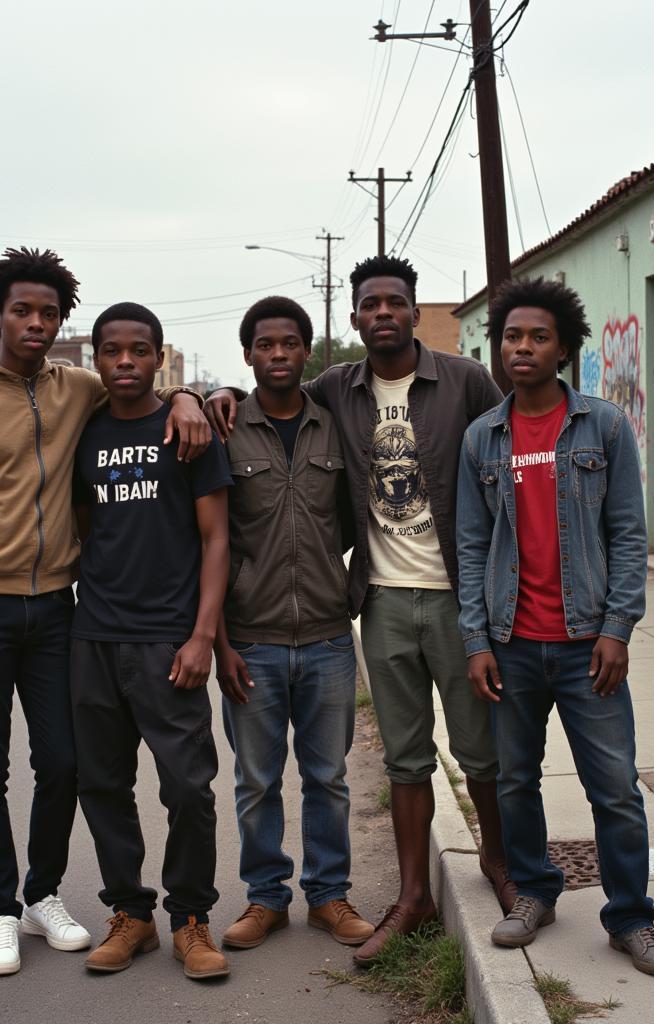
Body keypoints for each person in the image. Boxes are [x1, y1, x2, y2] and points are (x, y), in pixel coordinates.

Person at [206, 256, 512, 967]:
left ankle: (499, 864)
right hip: (378, 601)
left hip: (459, 602)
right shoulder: (335, 389)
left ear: (412, 311)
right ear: (352, 320)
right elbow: (262, 390)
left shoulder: (463, 379)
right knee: (405, 758)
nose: (382, 313)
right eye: (369, 304)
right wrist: (208, 393)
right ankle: (410, 897)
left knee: (478, 749)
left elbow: (507, 445)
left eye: (394, 302)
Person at [0, 248, 208, 976]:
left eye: (49, 313)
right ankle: (1, 911)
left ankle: (43, 893)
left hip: (56, 612)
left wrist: (197, 397)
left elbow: (142, 385)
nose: (37, 323)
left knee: (65, 764)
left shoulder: (78, 387)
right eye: (23, 311)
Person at [456, 276, 654, 976]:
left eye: (538, 337)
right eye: (512, 337)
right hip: (513, 645)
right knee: (516, 779)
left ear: (564, 349)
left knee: (613, 786)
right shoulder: (480, 438)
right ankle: (534, 893)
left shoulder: (604, 427)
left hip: (588, 646)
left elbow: (626, 534)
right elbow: (469, 543)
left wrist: (617, 628)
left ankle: (631, 919)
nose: (522, 348)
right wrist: (476, 640)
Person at [71, 302, 232, 981]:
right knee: (102, 784)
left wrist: (202, 637)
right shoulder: (83, 432)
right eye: (113, 351)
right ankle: (130, 915)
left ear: (160, 357)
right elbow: (83, 531)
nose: (126, 362)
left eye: (140, 350)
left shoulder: (187, 432)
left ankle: (190, 920)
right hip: (95, 638)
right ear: (98, 359)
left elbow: (217, 538)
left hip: (169, 641)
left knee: (188, 790)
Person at [215, 297, 374, 952]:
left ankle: (329, 896)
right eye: (264, 344)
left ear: (307, 351)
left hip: (329, 639)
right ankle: (265, 899)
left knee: (328, 778)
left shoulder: (334, 428)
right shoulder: (223, 429)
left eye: (289, 344)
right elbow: (210, 540)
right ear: (248, 353)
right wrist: (220, 640)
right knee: (256, 780)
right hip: (249, 640)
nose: (277, 354)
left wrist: (351, 595)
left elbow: (363, 514)